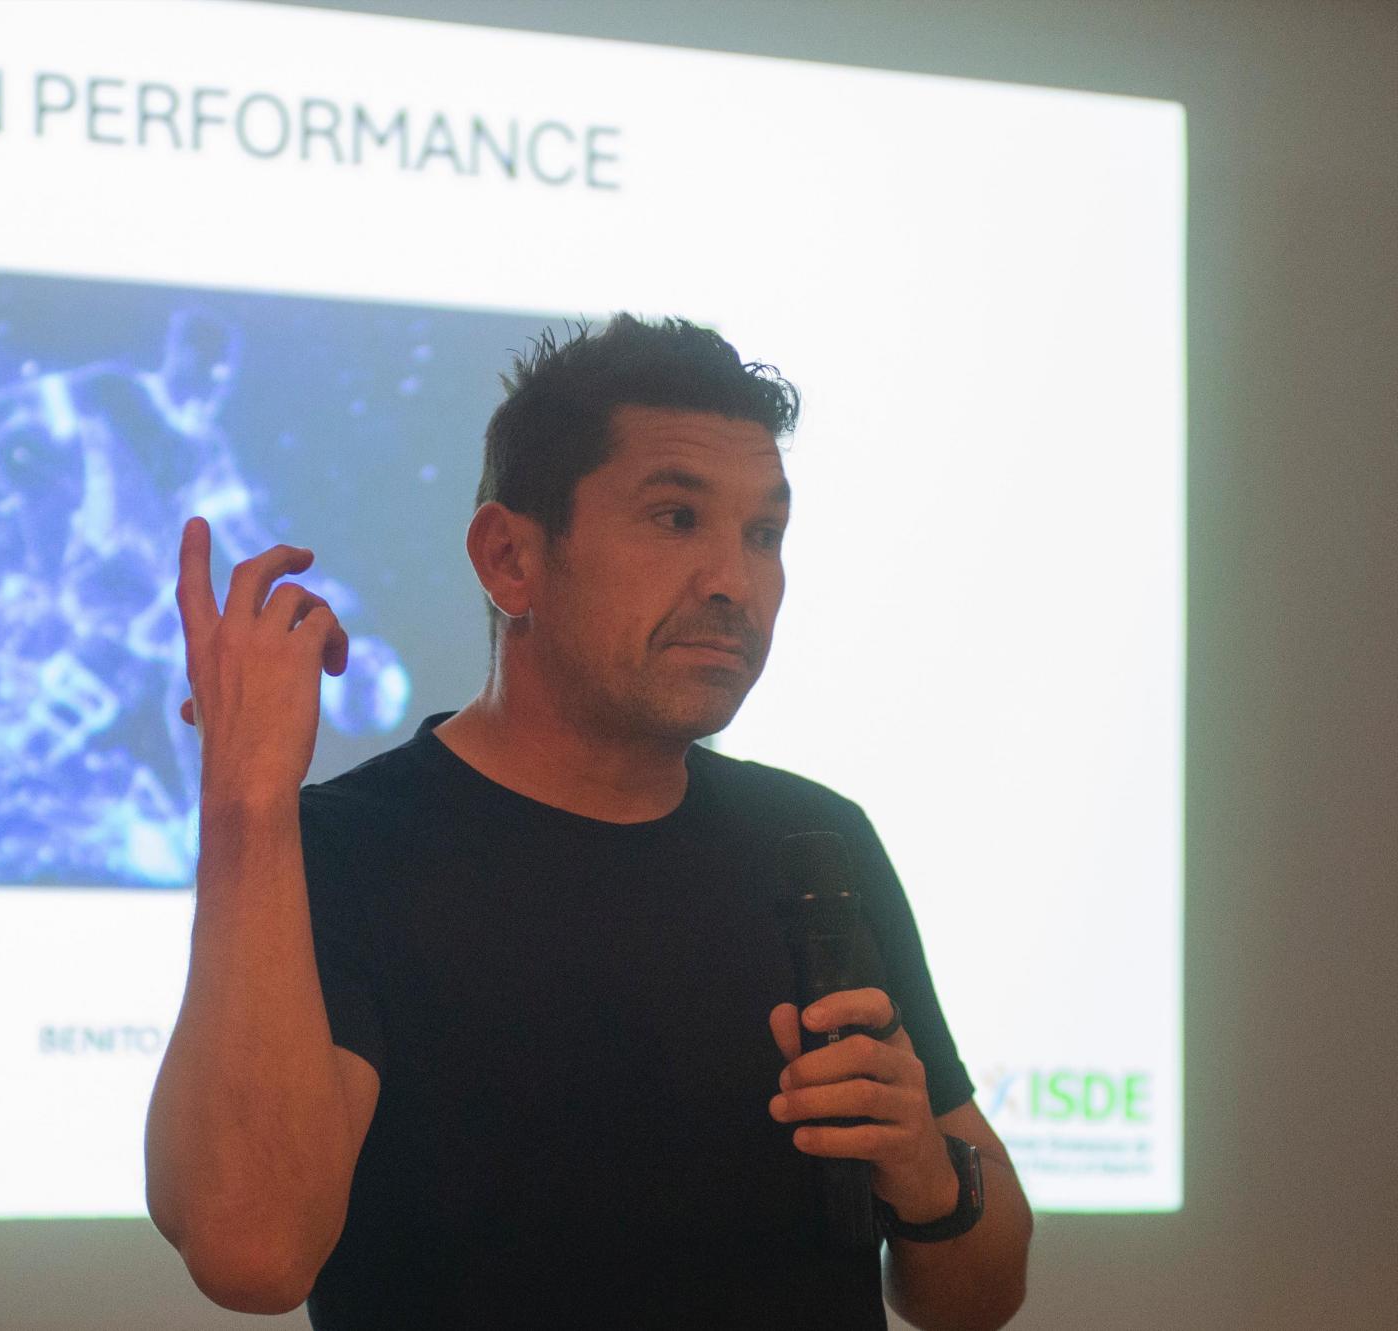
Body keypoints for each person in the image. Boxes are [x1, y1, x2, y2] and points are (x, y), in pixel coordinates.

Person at [144, 316, 1033, 1328]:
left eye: (762, 534)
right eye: (674, 518)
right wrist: (245, 797)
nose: (732, 582)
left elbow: (982, 1297)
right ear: (509, 559)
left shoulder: (813, 839)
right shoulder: (342, 852)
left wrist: (928, 1176)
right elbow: (253, 1253)